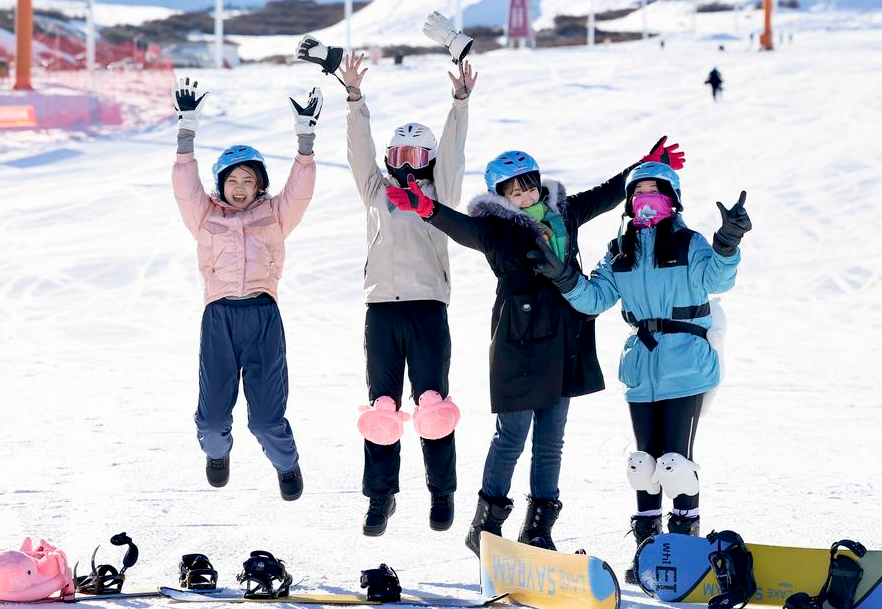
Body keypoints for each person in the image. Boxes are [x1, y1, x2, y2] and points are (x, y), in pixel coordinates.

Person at [386, 139, 685, 555]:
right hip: (519, 343)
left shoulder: (565, 213)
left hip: (565, 340)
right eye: (513, 191)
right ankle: (486, 526)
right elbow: (462, 228)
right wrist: (426, 208)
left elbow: (607, 192)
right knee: (511, 435)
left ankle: (538, 529)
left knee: (551, 439)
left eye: (528, 186)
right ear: (500, 197)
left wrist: (645, 165)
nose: (524, 196)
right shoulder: (496, 229)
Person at [527, 161, 751, 582]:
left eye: (655, 189)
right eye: (638, 191)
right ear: (629, 202)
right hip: (641, 368)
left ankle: (685, 548)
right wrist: (563, 275)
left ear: (672, 198)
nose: (646, 197)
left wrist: (728, 241)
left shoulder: (689, 243)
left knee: (675, 464)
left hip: (687, 364)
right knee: (643, 465)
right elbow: (594, 299)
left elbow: (717, 280)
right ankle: (648, 551)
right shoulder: (619, 251)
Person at [338, 52, 477, 537]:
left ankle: (442, 492)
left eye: (416, 157)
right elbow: (359, 152)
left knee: (433, 407)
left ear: (430, 160)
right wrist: (354, 98)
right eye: (399, 156)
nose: (405, 166)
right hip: (381, 310)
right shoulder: (376, 190)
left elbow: (456, 154)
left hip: (426, 309)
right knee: (381, 410)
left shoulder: (440, 194)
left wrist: (459, 103)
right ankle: (381, 498)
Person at [170, 76, 321, 500]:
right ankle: (216, 453)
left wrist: (305, 139)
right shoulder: (205, 217)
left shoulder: (274, 215)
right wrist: (186, 131)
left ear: (259, 186)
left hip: (262, 316)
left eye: (248, 181)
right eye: (232, 180)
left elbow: (301, 191)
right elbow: (184, 189)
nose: (240, 188)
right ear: (221, 184)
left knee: (266, 420)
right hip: (219, 317)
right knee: (214, 419)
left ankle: (286, 464)